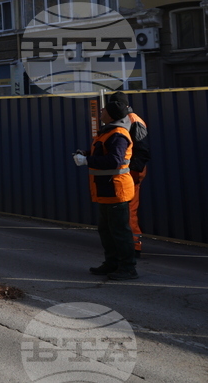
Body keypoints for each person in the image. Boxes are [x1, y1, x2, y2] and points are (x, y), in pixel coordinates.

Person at [75, 99, 137, 280]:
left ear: (110, 114)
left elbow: (115, 160)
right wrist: (86, 153)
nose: (100, 111)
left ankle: (128, 267)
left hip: (116, 189)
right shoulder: (108, 132)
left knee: (119, 231)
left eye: (104, 109)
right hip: (106, 189)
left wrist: (87, 161)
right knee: (106, 229)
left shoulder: (118, 134)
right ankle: (112, 263)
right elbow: (103, 152)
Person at [108, 91, 150, 257]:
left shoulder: (132, 120)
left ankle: (133, 247)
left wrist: (133, 171)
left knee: (129, 209)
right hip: (128, 171)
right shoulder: (129, 119)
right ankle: (128, 245)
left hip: (130, 171)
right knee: (125, 209)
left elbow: (142, 150)